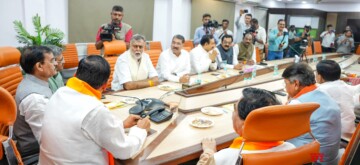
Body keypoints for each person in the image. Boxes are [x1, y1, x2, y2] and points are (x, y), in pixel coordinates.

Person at [39, 55, 151, 164]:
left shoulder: (59, 93)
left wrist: (121, 125)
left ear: (75, 74)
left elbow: (79, 129)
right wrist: (140, 131)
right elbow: (124, 151)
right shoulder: (95, 110)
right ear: (105, 85)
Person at [198, 88, 295, 165]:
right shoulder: (291, 149)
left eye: (235, 109)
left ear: (246, 125)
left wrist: (209, 151)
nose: (232, 114)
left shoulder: (224, 158)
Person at [282, 63, 341, 165]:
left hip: (315, 160)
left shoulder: (298, 105)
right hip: (330, 158)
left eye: (286, 83)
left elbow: (280, 132)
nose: (285, 87)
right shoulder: (323, 92)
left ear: (296, 84)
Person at [14, 46, 58, 164]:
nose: (56, 63)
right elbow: (50, 142)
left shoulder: (36, 81)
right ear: (39, 66)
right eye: (52, 60)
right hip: (36, 155)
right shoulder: (35, 100)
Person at [315, 60, 356, 140]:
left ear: (320, 76)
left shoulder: (320, 91)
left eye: (316, 73)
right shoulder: (345, 86)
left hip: (336, 138)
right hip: (350, 133)